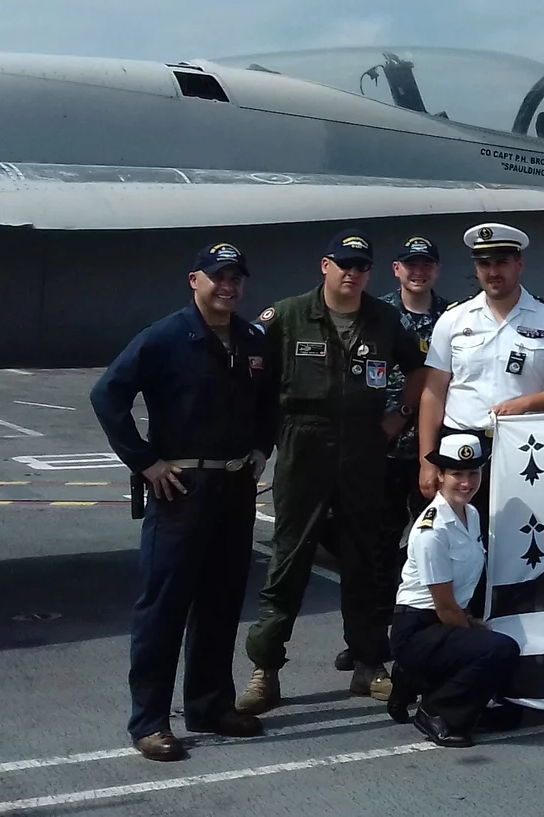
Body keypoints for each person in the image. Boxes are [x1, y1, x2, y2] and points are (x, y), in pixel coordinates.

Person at [90, 243, 275, 762]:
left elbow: (270, 401)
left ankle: (210, 705)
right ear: (195, 280)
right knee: (164, 607)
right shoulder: (166, 337)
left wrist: (262, 448)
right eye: (218, 277)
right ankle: (149, 722)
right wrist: (145, 463)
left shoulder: (252, 338)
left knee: (221, 603)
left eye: (236, 277)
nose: (229, 286)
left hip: (236, 488)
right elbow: (107, 396)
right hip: (182, 492)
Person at [238, 230, 428, 716]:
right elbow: (252, 375)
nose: (353, 273)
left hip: (365, 446)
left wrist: (396, 419)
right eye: (344, 264)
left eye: (361, 266)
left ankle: (368, 665)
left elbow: (421, 371)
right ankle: (266, 670)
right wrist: (264, 437)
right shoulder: (285, 316)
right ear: (325, 266)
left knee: (364, 560)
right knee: (290, 560)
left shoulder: (384, 320)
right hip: (304, 446)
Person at [334, 235, 452, 676]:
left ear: (436, 271)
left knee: (430, 548)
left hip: (431, 453)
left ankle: (425, 634)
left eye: (426, 264)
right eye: (410, 264)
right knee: (375, 550)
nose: (418, 271)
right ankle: (368, 641)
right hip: (379, 454)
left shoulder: (453, 318)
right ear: (397, 270)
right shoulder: (376, 315)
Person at [416, 223, 544, 501]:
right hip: (461, 447)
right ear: (476, 269)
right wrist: (427, 461)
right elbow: (433, 393)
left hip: (525, 442)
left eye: (502, 262)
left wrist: (526, 405)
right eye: (484, 264)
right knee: (461, 534)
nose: (493, 272)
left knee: (523, 531)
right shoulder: (454, 319)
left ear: (519, 264)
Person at [386, 434, 523, 748]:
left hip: (443, 622)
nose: (466, 482)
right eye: (457, 475)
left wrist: (469, 623)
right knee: (497, 649)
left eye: (473, 473)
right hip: (418, 628)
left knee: (502, 652)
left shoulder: (471, 515)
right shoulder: (432, 531)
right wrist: (472, 628)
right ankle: (437, 712)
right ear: (439, 477)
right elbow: (445, 606)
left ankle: (438, 691)